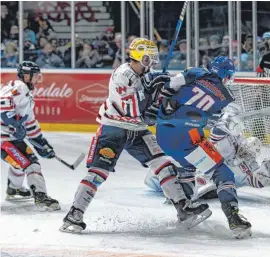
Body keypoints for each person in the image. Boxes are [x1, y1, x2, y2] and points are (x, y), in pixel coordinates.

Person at [60, 38, 208, 234]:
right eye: (148, 59)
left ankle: (183, 208)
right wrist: (155, 93)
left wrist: (177, 81)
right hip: (114, 128)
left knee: (163, 164)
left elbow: (156, 97)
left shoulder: (146, 73)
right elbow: (139, 113)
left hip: (137, 130)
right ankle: (74, 215)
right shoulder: (123, 76)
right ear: (137, 56)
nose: (151, 63)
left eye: (153, 59)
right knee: (98, 172)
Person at [145, 56, 252, 238]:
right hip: (190, 139)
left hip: (163, 134)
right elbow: (221, 124)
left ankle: (186, 211)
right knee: (222, 173)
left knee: (186, 168)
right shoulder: (227, 97)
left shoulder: (196, 72)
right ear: (227, 75)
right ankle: (233, 217)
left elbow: (169, 86)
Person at [0, 61, 60, 211]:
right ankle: (40, 197)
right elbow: (2, 105)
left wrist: (42, 144)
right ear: (26, 75)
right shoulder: (18, 87)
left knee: (22, 161)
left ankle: (15, 189)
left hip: (9, 139)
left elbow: (30, 124)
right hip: (3, 140)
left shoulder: (26, 94)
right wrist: (14, 123)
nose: (37, 80)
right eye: (35, 76)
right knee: (31, 164)